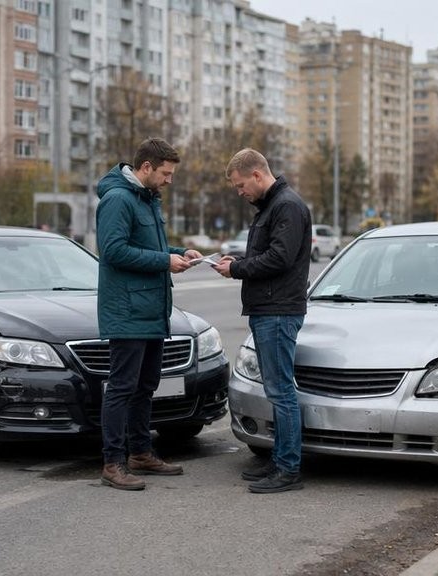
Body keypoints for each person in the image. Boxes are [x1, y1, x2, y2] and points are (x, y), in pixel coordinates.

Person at [95, 137, 202, 491]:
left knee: (145, 386)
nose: (169, 180)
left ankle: (141, 452)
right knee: (122, 388)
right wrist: (163, 261)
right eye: (166, 173)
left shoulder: (147, 198)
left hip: (151, 309)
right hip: (127, 311)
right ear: (146, 168)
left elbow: (147, 247)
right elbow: (113, 252)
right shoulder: (118, 200)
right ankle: (113, 462)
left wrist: (178, 251)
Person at [212, 148, 312, 494]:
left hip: (279, 311)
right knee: (276, 389)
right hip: (270, 308)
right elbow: (268, 253)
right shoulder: (272, 206)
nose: (240, 192)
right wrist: (237, 259)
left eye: (241, 185)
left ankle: (288, 468)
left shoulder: (286, 205)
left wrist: (237, 269)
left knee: (282, 391)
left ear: (257, 174)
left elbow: (280, 258)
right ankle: (280, 458)